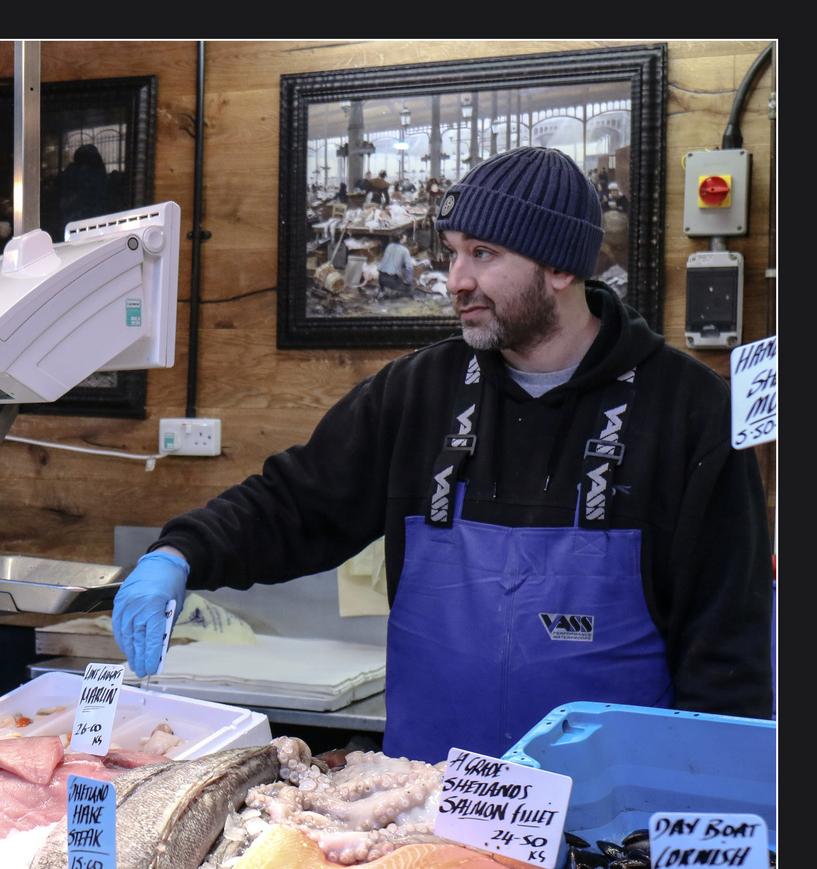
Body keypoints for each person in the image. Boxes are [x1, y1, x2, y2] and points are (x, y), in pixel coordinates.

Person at [112, 145, 772, 765]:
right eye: (452, 253)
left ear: (561, 266)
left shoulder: (690, 410)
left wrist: (708, 834)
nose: (456, 280)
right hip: (429, 812)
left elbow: (727, 647)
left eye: (483, 254)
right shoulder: (415, 393)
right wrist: (180, 553)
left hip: (609, 826)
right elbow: (296, 503)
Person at [377, 230, 416, 296]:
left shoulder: (389, 246)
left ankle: (383, 293)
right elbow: (409, 268)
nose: (406, 240)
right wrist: (408, 281)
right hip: (391, 279)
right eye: (405, 238)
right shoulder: (404, 250)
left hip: (381, 277)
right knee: (410, 291)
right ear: (402, 239)